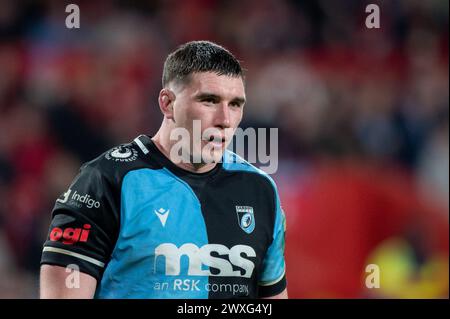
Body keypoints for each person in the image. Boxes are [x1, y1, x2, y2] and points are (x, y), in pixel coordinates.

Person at [40, 41, 287, 299]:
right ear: (167, 103)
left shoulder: (261, 191)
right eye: (209, 100)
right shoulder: (105, 182)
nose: (225, 120)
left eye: (235, 104)